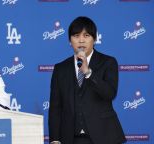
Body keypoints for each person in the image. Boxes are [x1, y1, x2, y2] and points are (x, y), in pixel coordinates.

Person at [48, 16, 126, 144]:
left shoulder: (108, 62)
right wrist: (55, 139)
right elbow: (55, 107)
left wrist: (88, 72)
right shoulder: (60, 68)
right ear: (69, 41)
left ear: (94, 39)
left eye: (86, 35)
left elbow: (110, 93)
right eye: (76, 36)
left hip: (103, 136)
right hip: (70, 138)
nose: (81, 40)